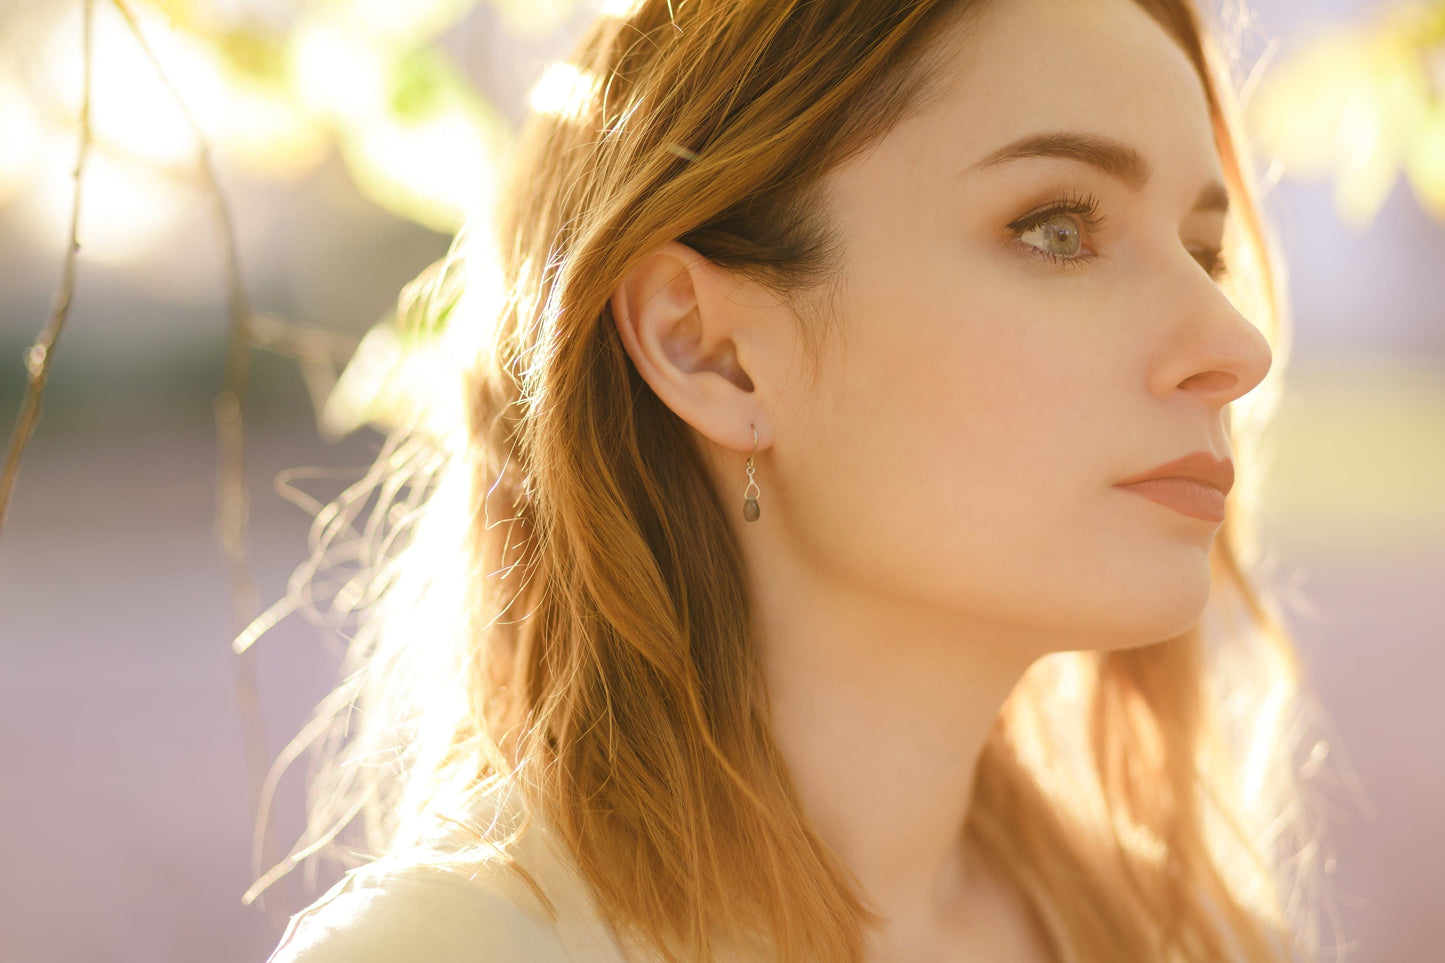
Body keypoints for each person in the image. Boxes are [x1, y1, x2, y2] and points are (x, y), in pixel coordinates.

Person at [257, 0, 1331, 960]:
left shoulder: (1194, 941)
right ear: (707, 349)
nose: (1232, 344)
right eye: (1057, 229)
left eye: (1204, 252)